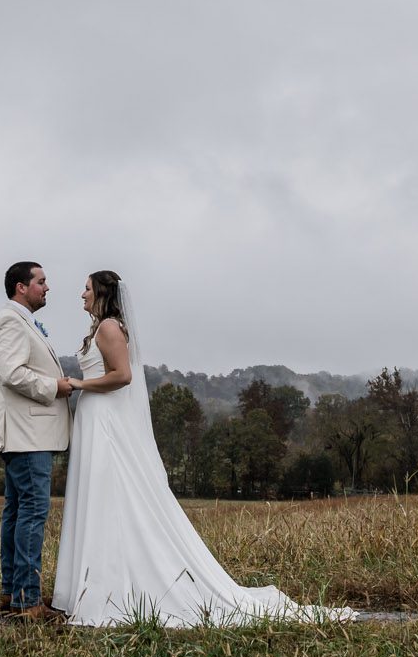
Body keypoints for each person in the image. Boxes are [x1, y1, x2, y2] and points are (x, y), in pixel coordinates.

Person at [50, 269, 355, 627]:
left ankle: (113, 587)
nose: (81, 294)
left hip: (105, 421)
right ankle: (92, 583)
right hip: (94, 418)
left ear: (101, 292)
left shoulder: (109, 328)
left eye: (86, 288)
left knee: (110, 496)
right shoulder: (99, 328)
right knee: (98, 497)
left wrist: (79, 383)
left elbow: (123, 376)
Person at [0, 260, 77, 621]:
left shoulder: (22, 321)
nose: (47, 287)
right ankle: (27, 600)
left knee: (18, 512)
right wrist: (55, 387)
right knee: (32, 513)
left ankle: (14, 592)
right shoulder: (10, 320)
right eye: (41, 281)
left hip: (27, 434)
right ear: (21, 287)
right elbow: (12, 374)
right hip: (28, 434)